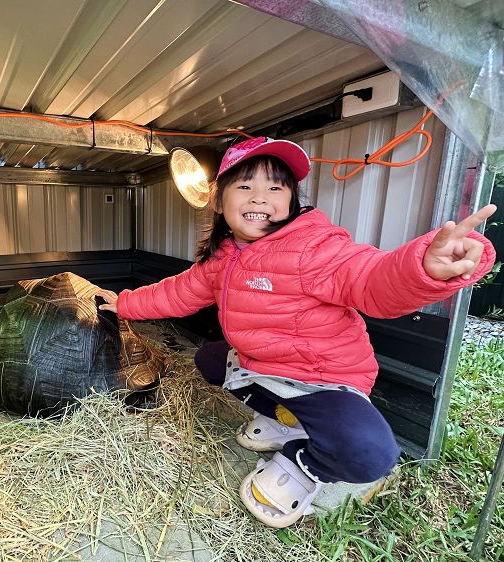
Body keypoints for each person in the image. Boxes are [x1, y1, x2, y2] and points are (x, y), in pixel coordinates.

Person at [96, 136, 497, 528]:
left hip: (323, 381)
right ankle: (285, 420)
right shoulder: (224, 257)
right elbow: (178, 292)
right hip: (267, 368)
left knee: (370, 454)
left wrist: (422, 269)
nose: (259, 196)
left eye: (275, 187)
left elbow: (372, 278)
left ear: (290, 202)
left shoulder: (315, 248)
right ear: (218, 201)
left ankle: (303, 462)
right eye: (245, 185)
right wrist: (125, 303)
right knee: (210, 358)